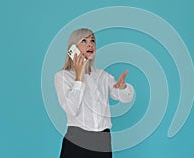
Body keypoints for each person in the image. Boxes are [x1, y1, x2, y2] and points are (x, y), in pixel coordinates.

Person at [54, 28, 134, 158]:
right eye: (84, 41)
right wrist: (79, 77)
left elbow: (125, 98)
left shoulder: (103, 76)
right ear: (73, 48)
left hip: (102, 141)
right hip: (77, 139)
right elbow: (71, 109)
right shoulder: (63, 76)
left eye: (93, 41)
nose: (90, 44)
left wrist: (123, 87)